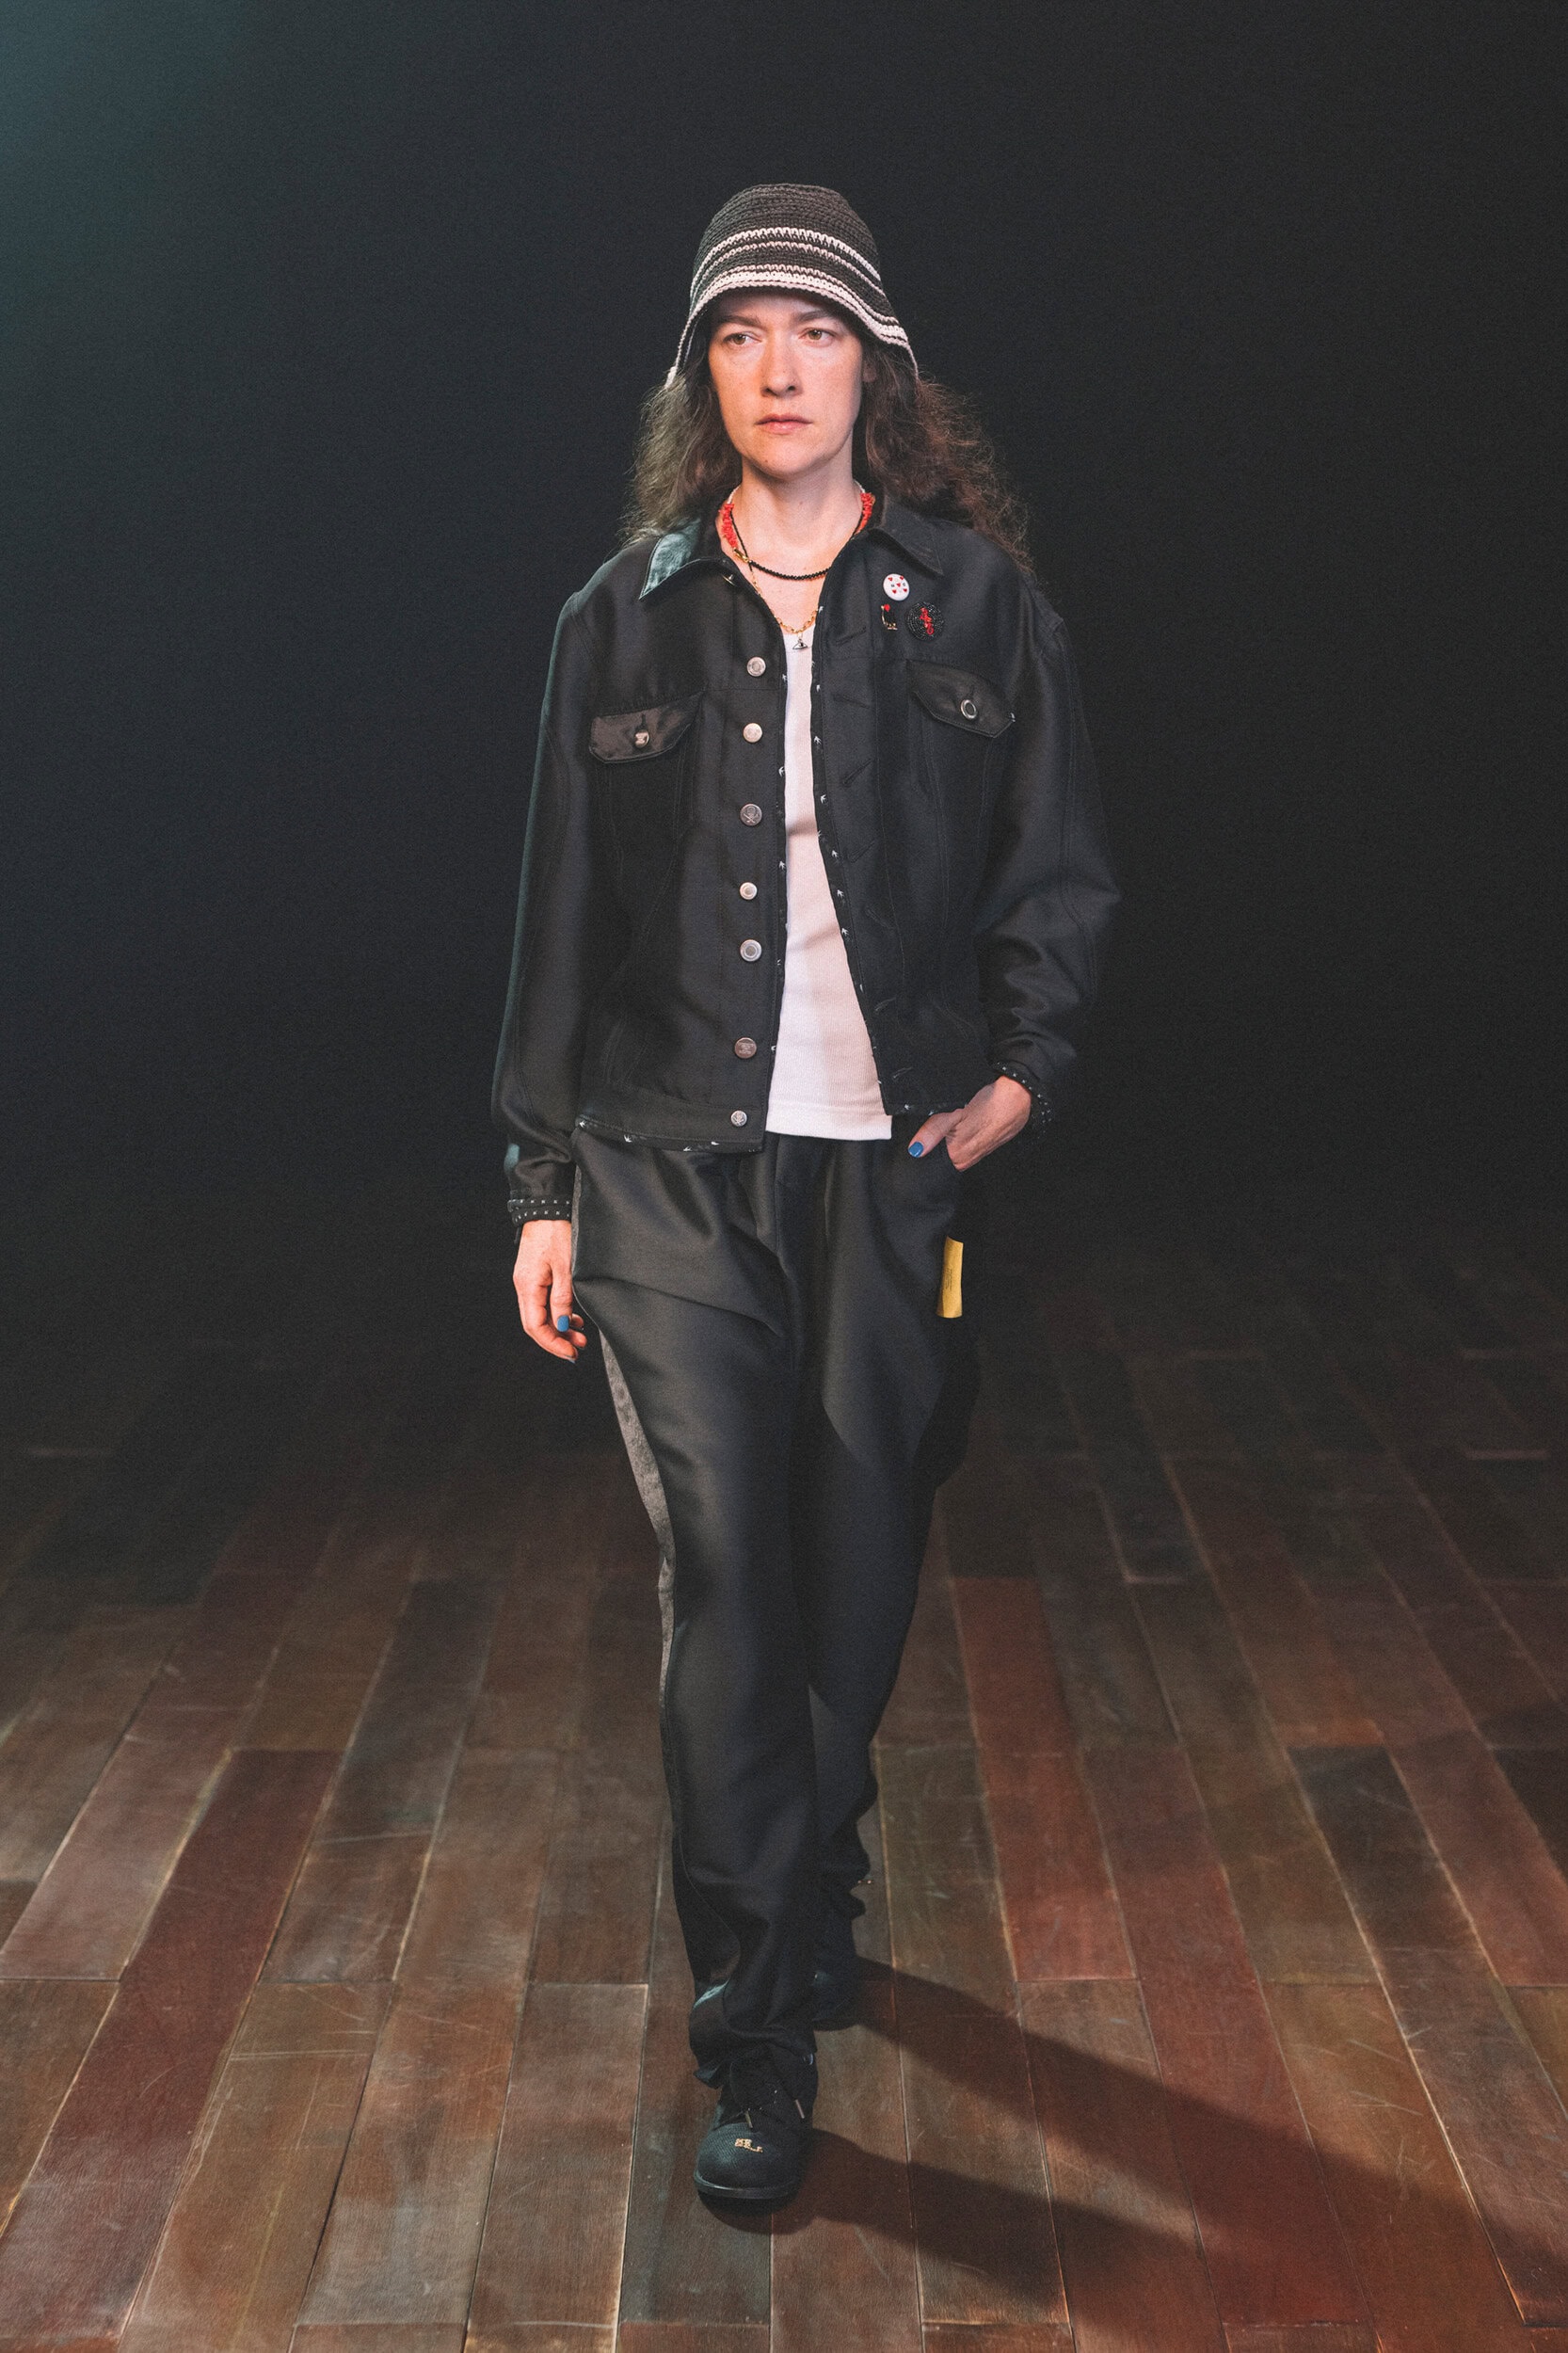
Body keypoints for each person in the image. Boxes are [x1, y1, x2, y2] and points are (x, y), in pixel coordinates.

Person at [494, 183, 1117, 2209]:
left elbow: (1054, 862)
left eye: (816, 329)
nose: (779, 367)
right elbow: (560, 923)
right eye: (741, 332)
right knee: (727, 1578)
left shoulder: (975, 602)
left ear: (876, 365)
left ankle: (811, 1861)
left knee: (855, 1569)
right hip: (665, 1168)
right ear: (702, 373)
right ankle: (752, 2027)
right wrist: (542, 1178)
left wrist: (1020, 1072)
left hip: (891, 1163)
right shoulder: (620, 617)